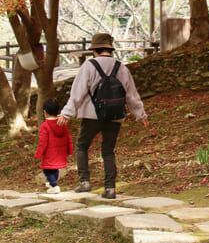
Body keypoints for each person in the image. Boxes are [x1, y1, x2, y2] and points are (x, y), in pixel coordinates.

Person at [58, 32, 148, 199]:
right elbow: (131, 95)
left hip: (91, 116)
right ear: (110, 49)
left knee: (82, 146)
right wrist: (141, 115)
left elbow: (77, 93)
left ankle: (85, 182)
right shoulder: (122, 68)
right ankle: (110, 188)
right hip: (114, 116)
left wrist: (66, 113)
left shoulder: (88, 66)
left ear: (95, 50)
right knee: (108, 151)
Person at [34, 98, 74, 193]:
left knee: (47, 171)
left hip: (49, 154)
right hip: (60, 153)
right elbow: (68, 138)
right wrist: (70, 150)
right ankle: (52, 183)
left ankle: (55, 185)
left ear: (45, 112)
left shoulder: (45, 125)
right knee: (55, 169)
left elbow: (43, 142)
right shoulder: (62, 124)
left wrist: (38, 153)